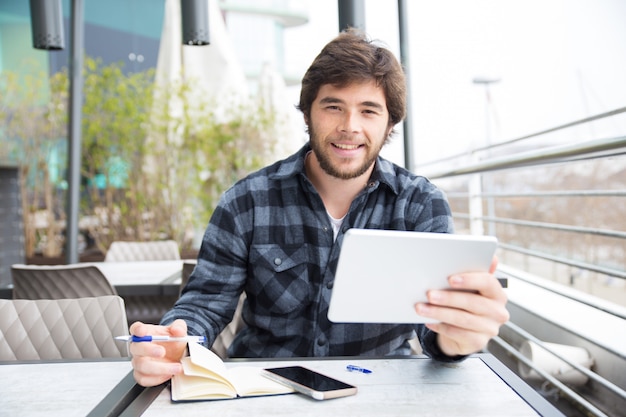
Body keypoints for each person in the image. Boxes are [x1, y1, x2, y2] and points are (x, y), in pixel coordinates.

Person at [129, 29, 509, 387]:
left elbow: (434, 331)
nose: (350, 126)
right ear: (308, 112)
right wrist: (174, 339)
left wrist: (456, 340)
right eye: (333, 106)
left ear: (390, 121)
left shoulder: (421, 205)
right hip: (264, 390)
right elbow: (205, 304)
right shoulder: (246, 201)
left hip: (379, 391)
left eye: (369, 111)